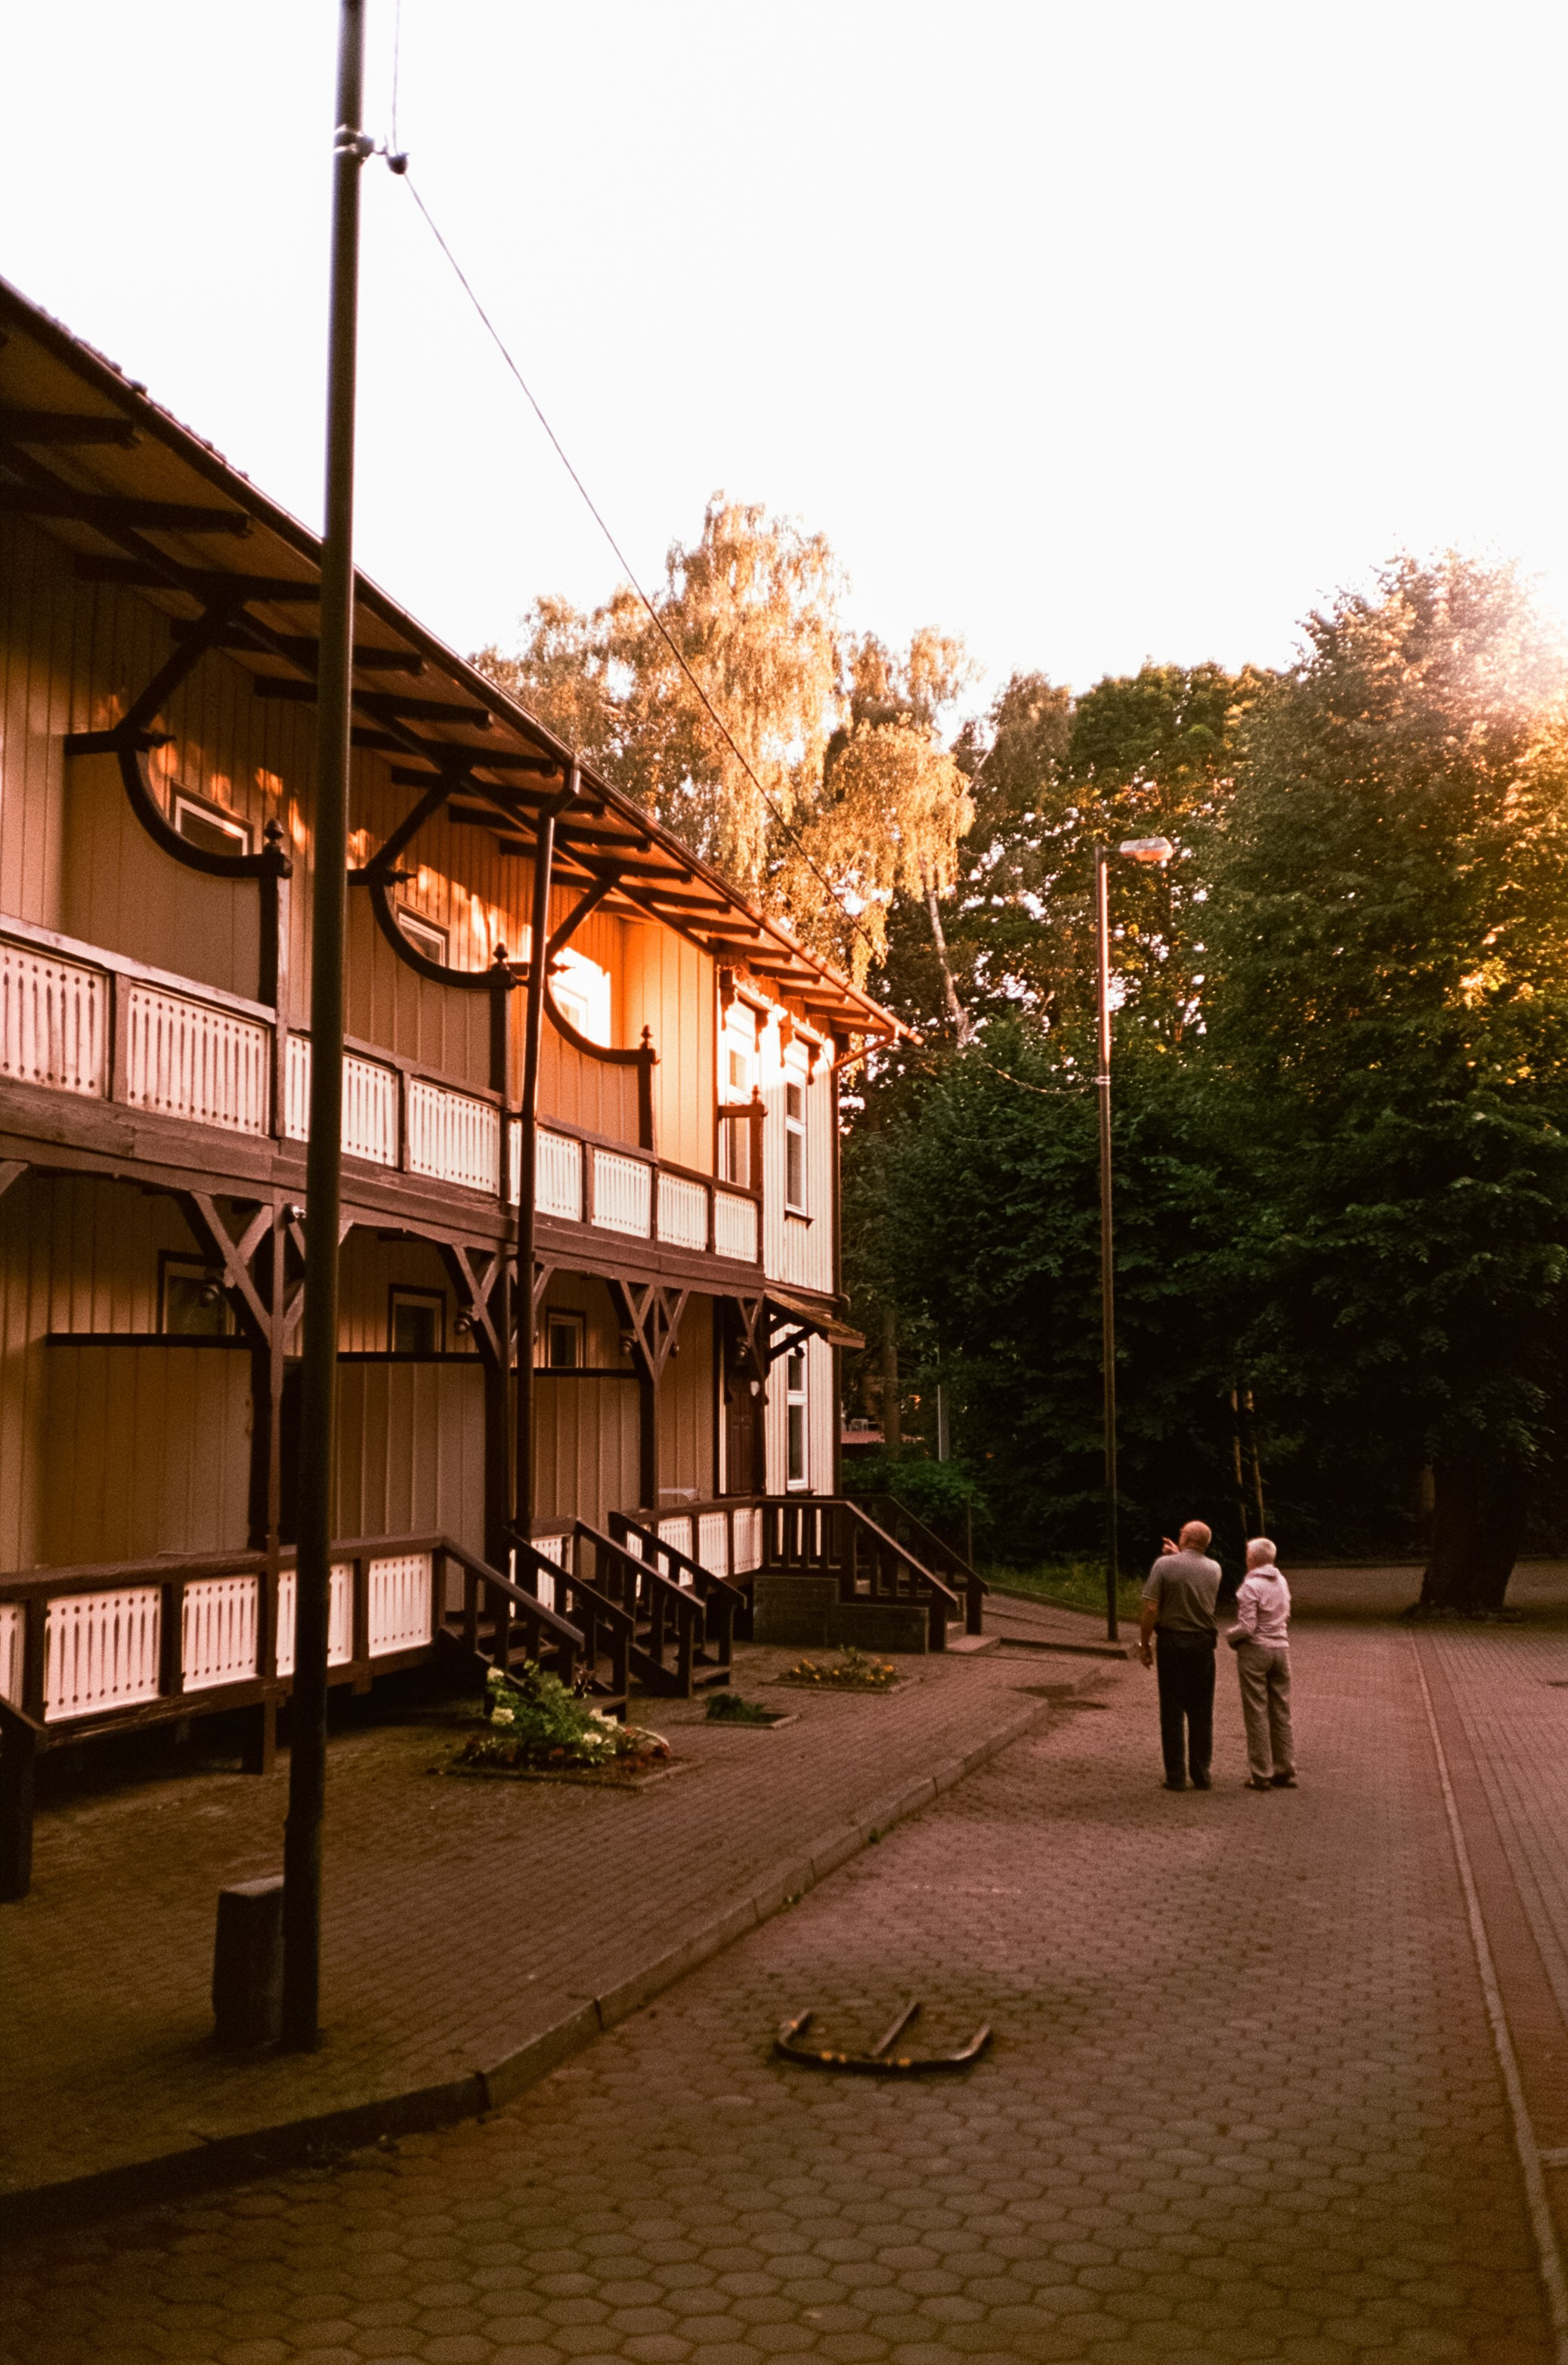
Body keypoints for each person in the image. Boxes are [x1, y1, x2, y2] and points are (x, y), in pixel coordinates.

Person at [1139, 1521, 1222, 1790]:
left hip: (1172, 1642)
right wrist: (1179, 1554)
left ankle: (1175, 1775)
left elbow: (1151, 1609)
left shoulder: (1163, 1566)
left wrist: (1144, 1643)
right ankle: (1201, 1773)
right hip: (1202, 1643)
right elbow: (1190, 1573)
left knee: (1172, 1709)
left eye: (1181, 1532)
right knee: (1201, 1709)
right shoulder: (1215, 1569)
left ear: (1184, 1537)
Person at [1228, 1537, 1296, 1790]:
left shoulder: (1250, 1586)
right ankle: (1285, 1768)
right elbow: (1286, 1614)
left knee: (1256, 1711)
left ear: (1253, 1559)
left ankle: (1261, 1773)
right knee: (1281, 1710)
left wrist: (1230, 1636)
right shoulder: (1282, 1582)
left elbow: (1248, 1626)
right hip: (1281, 1649)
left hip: (1257, 1651)